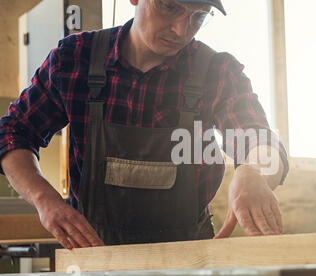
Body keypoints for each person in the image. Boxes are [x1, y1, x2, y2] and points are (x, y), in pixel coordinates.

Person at [0, 0, 289, 249]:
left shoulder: (217, 71)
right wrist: (44, 200)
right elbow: (13, 132)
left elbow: (262, 143)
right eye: (170, 6)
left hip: (189, 264)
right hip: (94, 262)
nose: (181, 30)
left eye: (197, 16)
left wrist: (254, 173)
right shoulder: (75, 59)